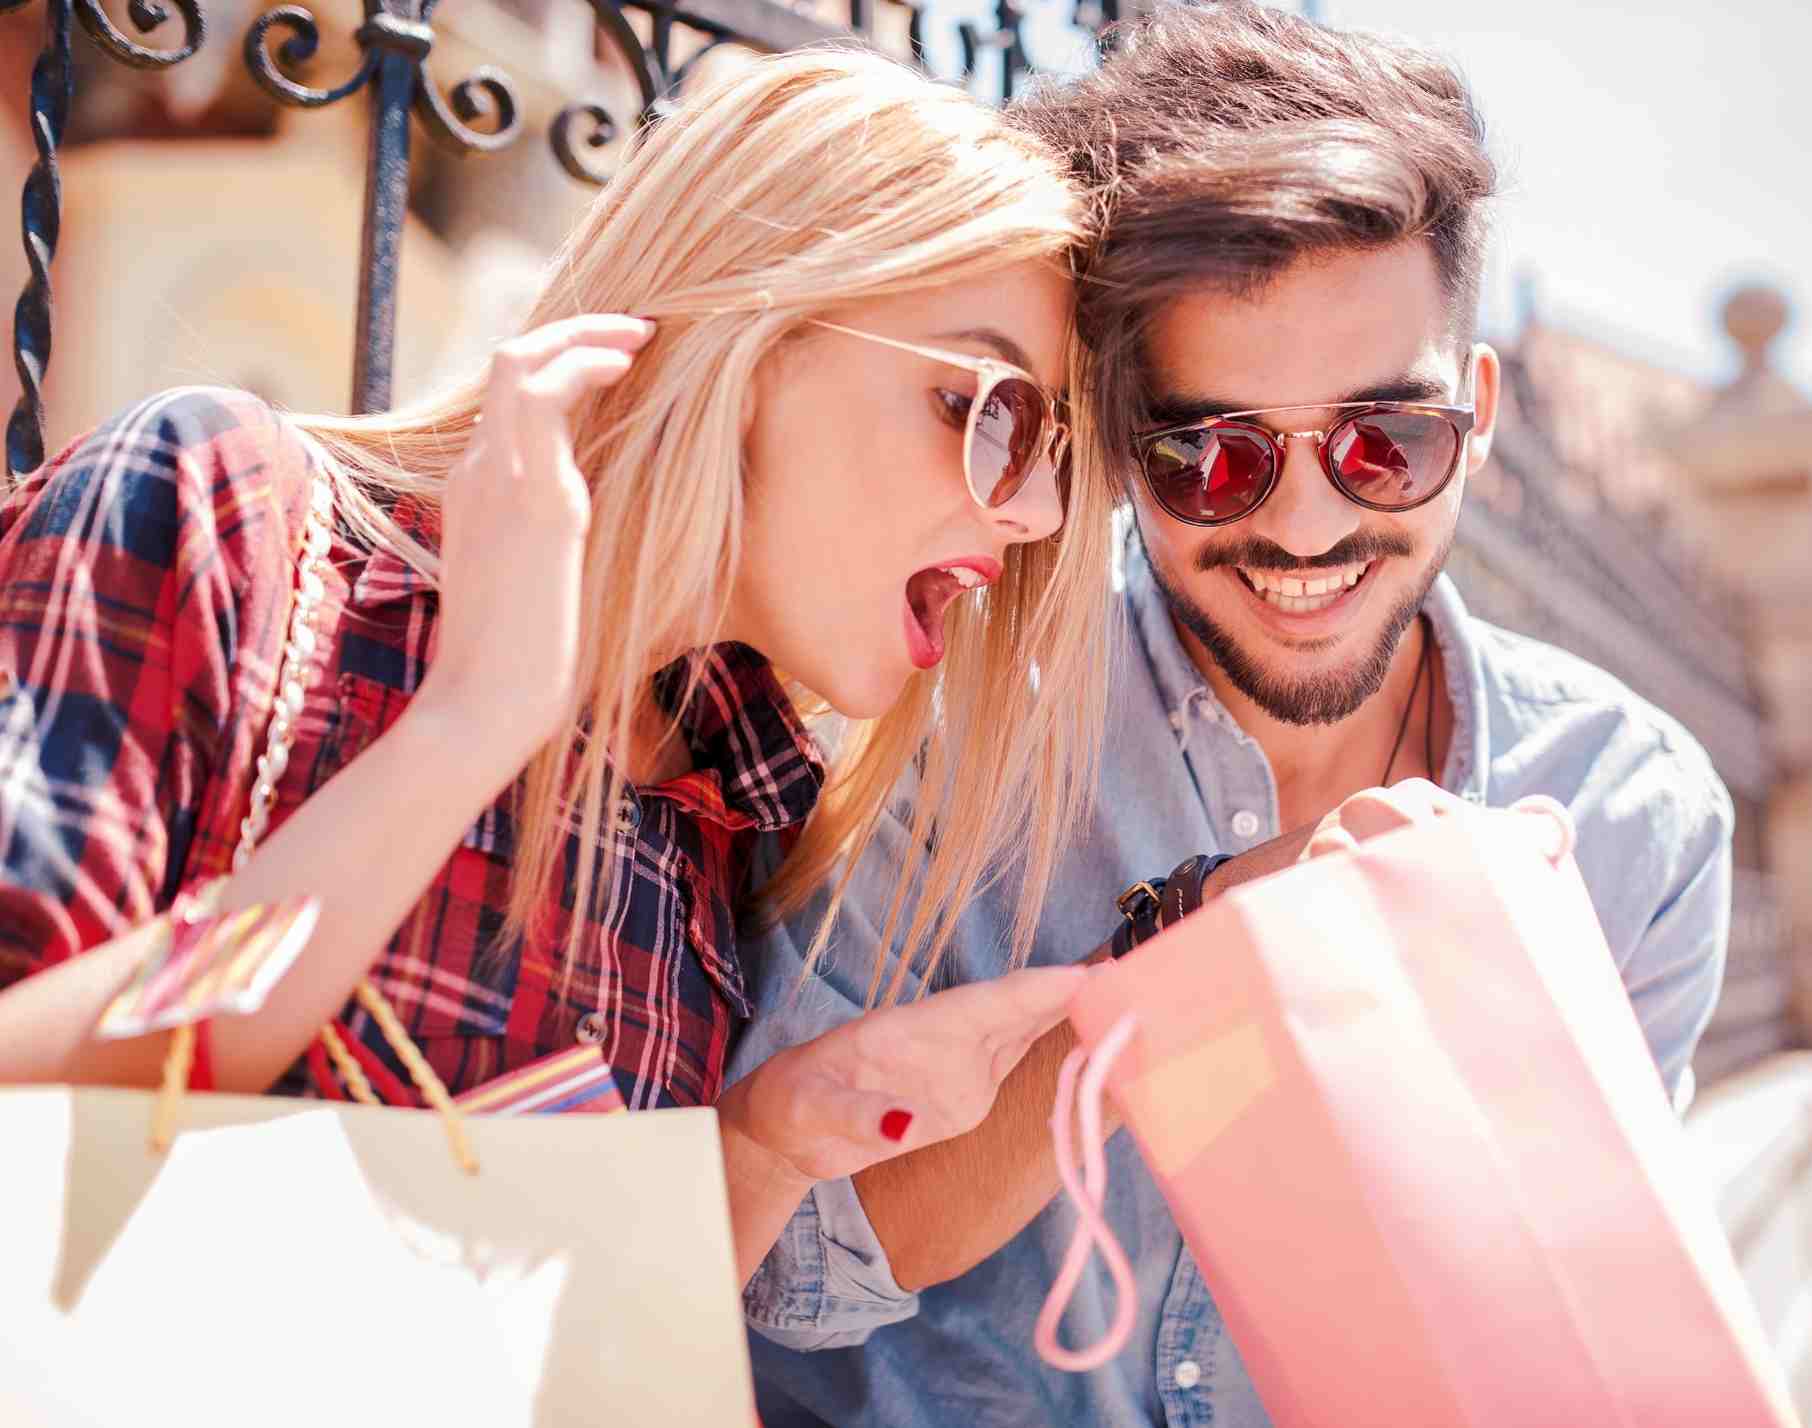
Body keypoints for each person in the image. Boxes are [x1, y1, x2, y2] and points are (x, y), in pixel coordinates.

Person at [730, 7, 1736, 1423]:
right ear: (1127, 446)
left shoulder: (1635, 815)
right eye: (1214, 455)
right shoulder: (943, 729)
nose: (1309, 524)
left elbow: (1581, 1326)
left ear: (1484, 417)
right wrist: (1180, 982)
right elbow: (778, 1269)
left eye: (1387, 441)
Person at [0, 48, 1118, 1286]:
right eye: (995, 412)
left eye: (1056, 452)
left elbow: (574, 1346)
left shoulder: (721, 815)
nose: (1040, 515)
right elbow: (23, 1099)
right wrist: (467, 730)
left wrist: (761, 1149)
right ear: (750, 334)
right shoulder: (232, 513)